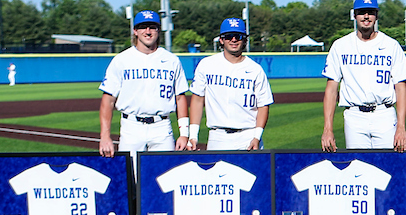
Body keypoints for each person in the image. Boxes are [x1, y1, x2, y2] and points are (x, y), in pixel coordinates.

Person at [321, 0, 406, 152]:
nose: (366, 16)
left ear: (376, 15)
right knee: (359, 170)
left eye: (371, 12)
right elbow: (331, 88)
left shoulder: (391, 45)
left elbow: (401, 87)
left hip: (384, 114)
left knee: (389, 167)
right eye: (362, 12)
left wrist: (401, 127)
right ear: (354, 15)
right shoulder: (341, 46)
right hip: (354, 116)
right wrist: (327, 128)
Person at [98, 10, 189, 157]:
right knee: (131, 176)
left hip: (162, 127)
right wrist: (105, 136)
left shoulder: (171, 60)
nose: (148, 31)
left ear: (158, 30)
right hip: (131, 127)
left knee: (163, 175)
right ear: (135, 31)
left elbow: (180, 98)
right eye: (143, 27)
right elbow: (108, 100)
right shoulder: (122, 60)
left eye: (152, 27)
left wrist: (184, 134)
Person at [187, 18, 274, 151]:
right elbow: (197, 100)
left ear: (245, 40)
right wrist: (193, 136)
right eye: (229, 36)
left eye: (238, 36)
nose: (233, 40)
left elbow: (263, 105)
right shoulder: (207, 65)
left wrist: (256, 137)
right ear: (221, 40)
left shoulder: (255, 69)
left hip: (248, 135)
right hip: (218, 136)